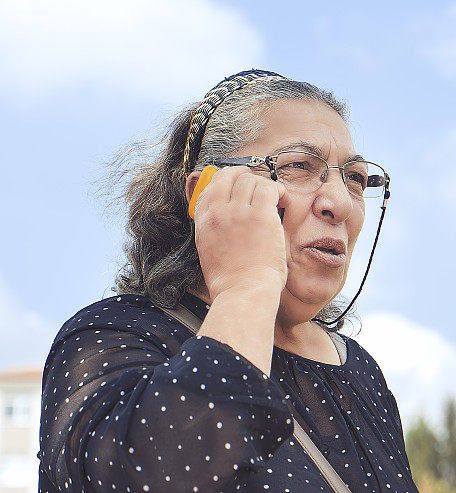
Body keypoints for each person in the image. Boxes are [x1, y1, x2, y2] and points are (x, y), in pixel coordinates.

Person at [37, 69, 417, 492]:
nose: (340, 203)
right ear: (204, 193)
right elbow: (156, 474)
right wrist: (247, 285)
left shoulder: (361, 370)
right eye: (298, 166)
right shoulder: (106, 336)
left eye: (355, 178)